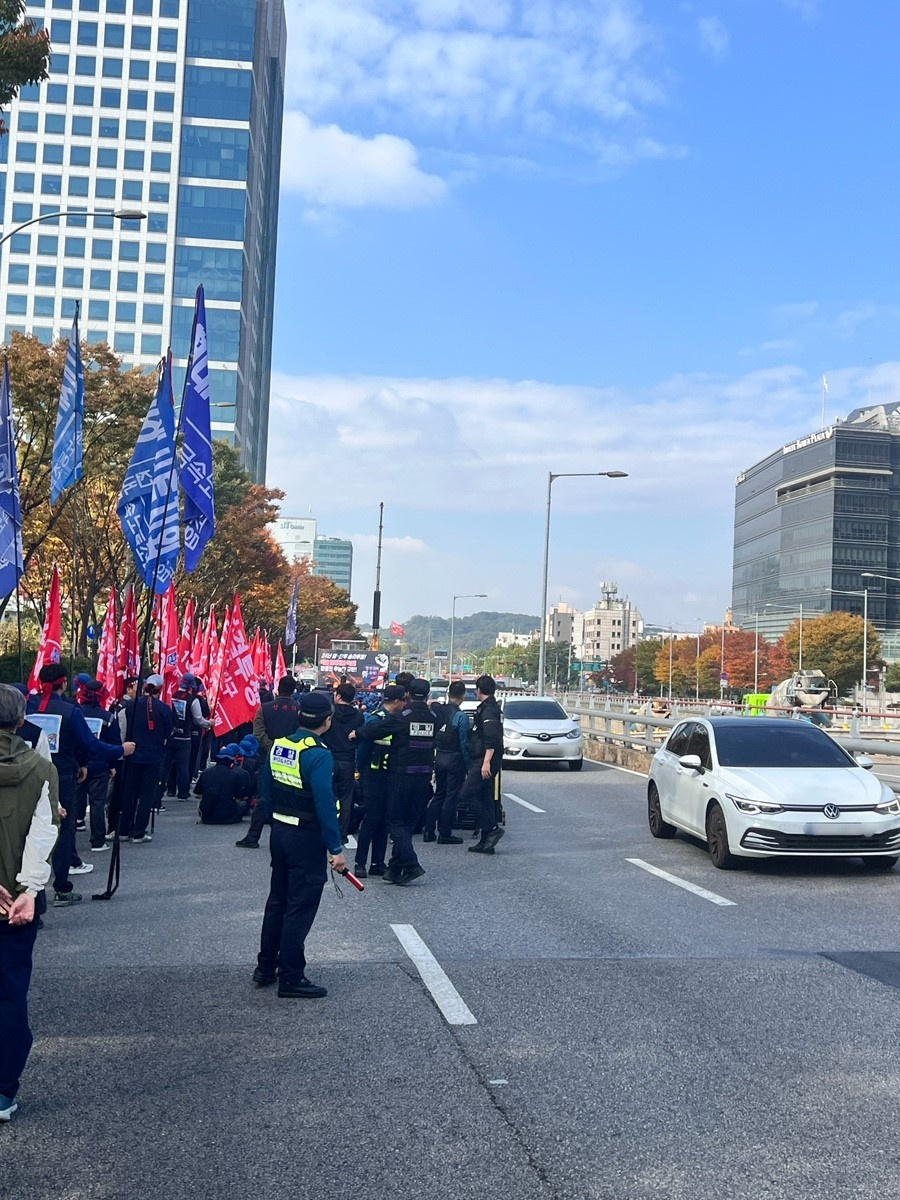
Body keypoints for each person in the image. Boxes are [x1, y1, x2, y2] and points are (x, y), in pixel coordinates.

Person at [254, 690, 345, 999]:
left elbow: (265, 791)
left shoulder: (279, 745)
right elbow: (324, 802)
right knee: (300, 907)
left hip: (279, 833)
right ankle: (291, 976)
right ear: (327, 721)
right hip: (306, 838)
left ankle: (266, 966)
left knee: (277, 901)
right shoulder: (319, 754)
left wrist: (275, 821)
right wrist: (335, 849)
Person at [0, 683, 60, 1123]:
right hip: (15, 904)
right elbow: (43, 834)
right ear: (22, 721)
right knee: (9, 993)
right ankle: (3, 1090)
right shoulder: (41, 768)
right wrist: (29, 890)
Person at [27, 664, 135, 904]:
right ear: (64, 683)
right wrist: (120, 750)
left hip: (27, 775)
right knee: (63, 831)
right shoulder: (69, 711)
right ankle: (62, 888)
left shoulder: (26, 706)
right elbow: (89, 744)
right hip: (61, 776)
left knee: (27, 830)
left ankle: (28, 892)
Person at [353, 678, 435, 886]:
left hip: (402, 775)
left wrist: (357, 733)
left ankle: (411, 863)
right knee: (408, 822)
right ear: (427, 696)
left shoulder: (402, 717)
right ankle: (396, 867)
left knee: (394, 821)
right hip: (424, 777)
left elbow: (375, 731)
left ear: (407, 696)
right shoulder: (434, 718)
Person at [352, 684, 406, 877]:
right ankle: (360, 862)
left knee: (384, 820)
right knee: (372, 819)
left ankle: (377, 862)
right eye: (403, 700)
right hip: (373, 775)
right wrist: (360, 771)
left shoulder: (395, 720)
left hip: (389, 776)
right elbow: (364, 748)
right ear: (398, 701)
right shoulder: (376, 718)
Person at [117, 675, 173, 844]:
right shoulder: (164, 709)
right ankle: (139, 831)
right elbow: (168, 732)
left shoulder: (131, 706)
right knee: (146, 795)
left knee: (129, 793)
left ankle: (124, 829)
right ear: (160, 690)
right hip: (153, 756)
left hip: (133, 754)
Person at [458, 674, 505, 855]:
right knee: (484, 796)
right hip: (484, 758)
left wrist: (486, 762)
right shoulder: (488, 707)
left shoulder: (490, 710)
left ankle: (492, 828)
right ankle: (486, 841)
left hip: (486, 759)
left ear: (479, 690)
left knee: (467, 793)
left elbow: (491, 738)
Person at [74, 677, 122, 853]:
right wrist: (112, 764)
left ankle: (76, 826)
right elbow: (114, 741)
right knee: (97, 802)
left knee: (76, 799)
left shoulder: (75, 712)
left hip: (79, 763)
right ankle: (97, 840)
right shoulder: (107, 716)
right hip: (100, 763)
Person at [423, 680, 469, 844]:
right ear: (462, 697)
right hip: (455, 758)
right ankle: (445, 833)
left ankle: (429, 831)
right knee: (451, 796)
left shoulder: (438, 711)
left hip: (440, 756)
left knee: (439, 794)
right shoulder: (461, 717)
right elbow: (464, 743)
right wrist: (467, 764)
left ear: (448, 695)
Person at [321, 682, 364, 840]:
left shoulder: (329, 713)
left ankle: (327, 828)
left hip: (329, 757)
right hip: (348, 758)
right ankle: (342, 832)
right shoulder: (358, 715)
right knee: (346, 798)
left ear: (338, 695)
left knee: (327, 794)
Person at [166, 674, 212, 801]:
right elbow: (199, 719)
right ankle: (183, 792)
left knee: (169, 764)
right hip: (185, 737)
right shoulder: (193, 700)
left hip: (171, 735)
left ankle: (169, 789)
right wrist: (209, 723)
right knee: (183, 766)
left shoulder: (172, 696)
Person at [196, 747, 252, 824]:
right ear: (231, 761)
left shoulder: (206, 773)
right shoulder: (235, 775)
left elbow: (198, 793)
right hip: (228, 817)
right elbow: (240, 797)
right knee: (245, 803)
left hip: (206, 817)